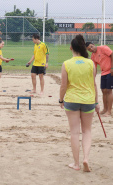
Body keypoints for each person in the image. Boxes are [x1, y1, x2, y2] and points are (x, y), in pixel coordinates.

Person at [60, 35, 100, 172]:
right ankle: (86, 159)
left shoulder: (66, 64)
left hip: (71, 100)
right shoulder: (91, 63)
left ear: (71, 48)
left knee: (74, 133)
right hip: (89, 100)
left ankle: (76, 164)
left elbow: (63, 86)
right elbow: (94, 84)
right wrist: (97, 102)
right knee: (87, 131)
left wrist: (60, 99)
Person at [86, 42, 113, 117]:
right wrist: (92, 78)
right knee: (103, 91)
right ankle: (105, 109)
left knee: (109, 90)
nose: (91, 49)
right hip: (103, 73)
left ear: (93, 44)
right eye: (89, 49)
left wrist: (112, 68)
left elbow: (112, 54)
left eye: (91, 47)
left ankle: (109, 111)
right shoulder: (93, 56)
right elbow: (94, 68)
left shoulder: (103, 48)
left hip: (110, 71)